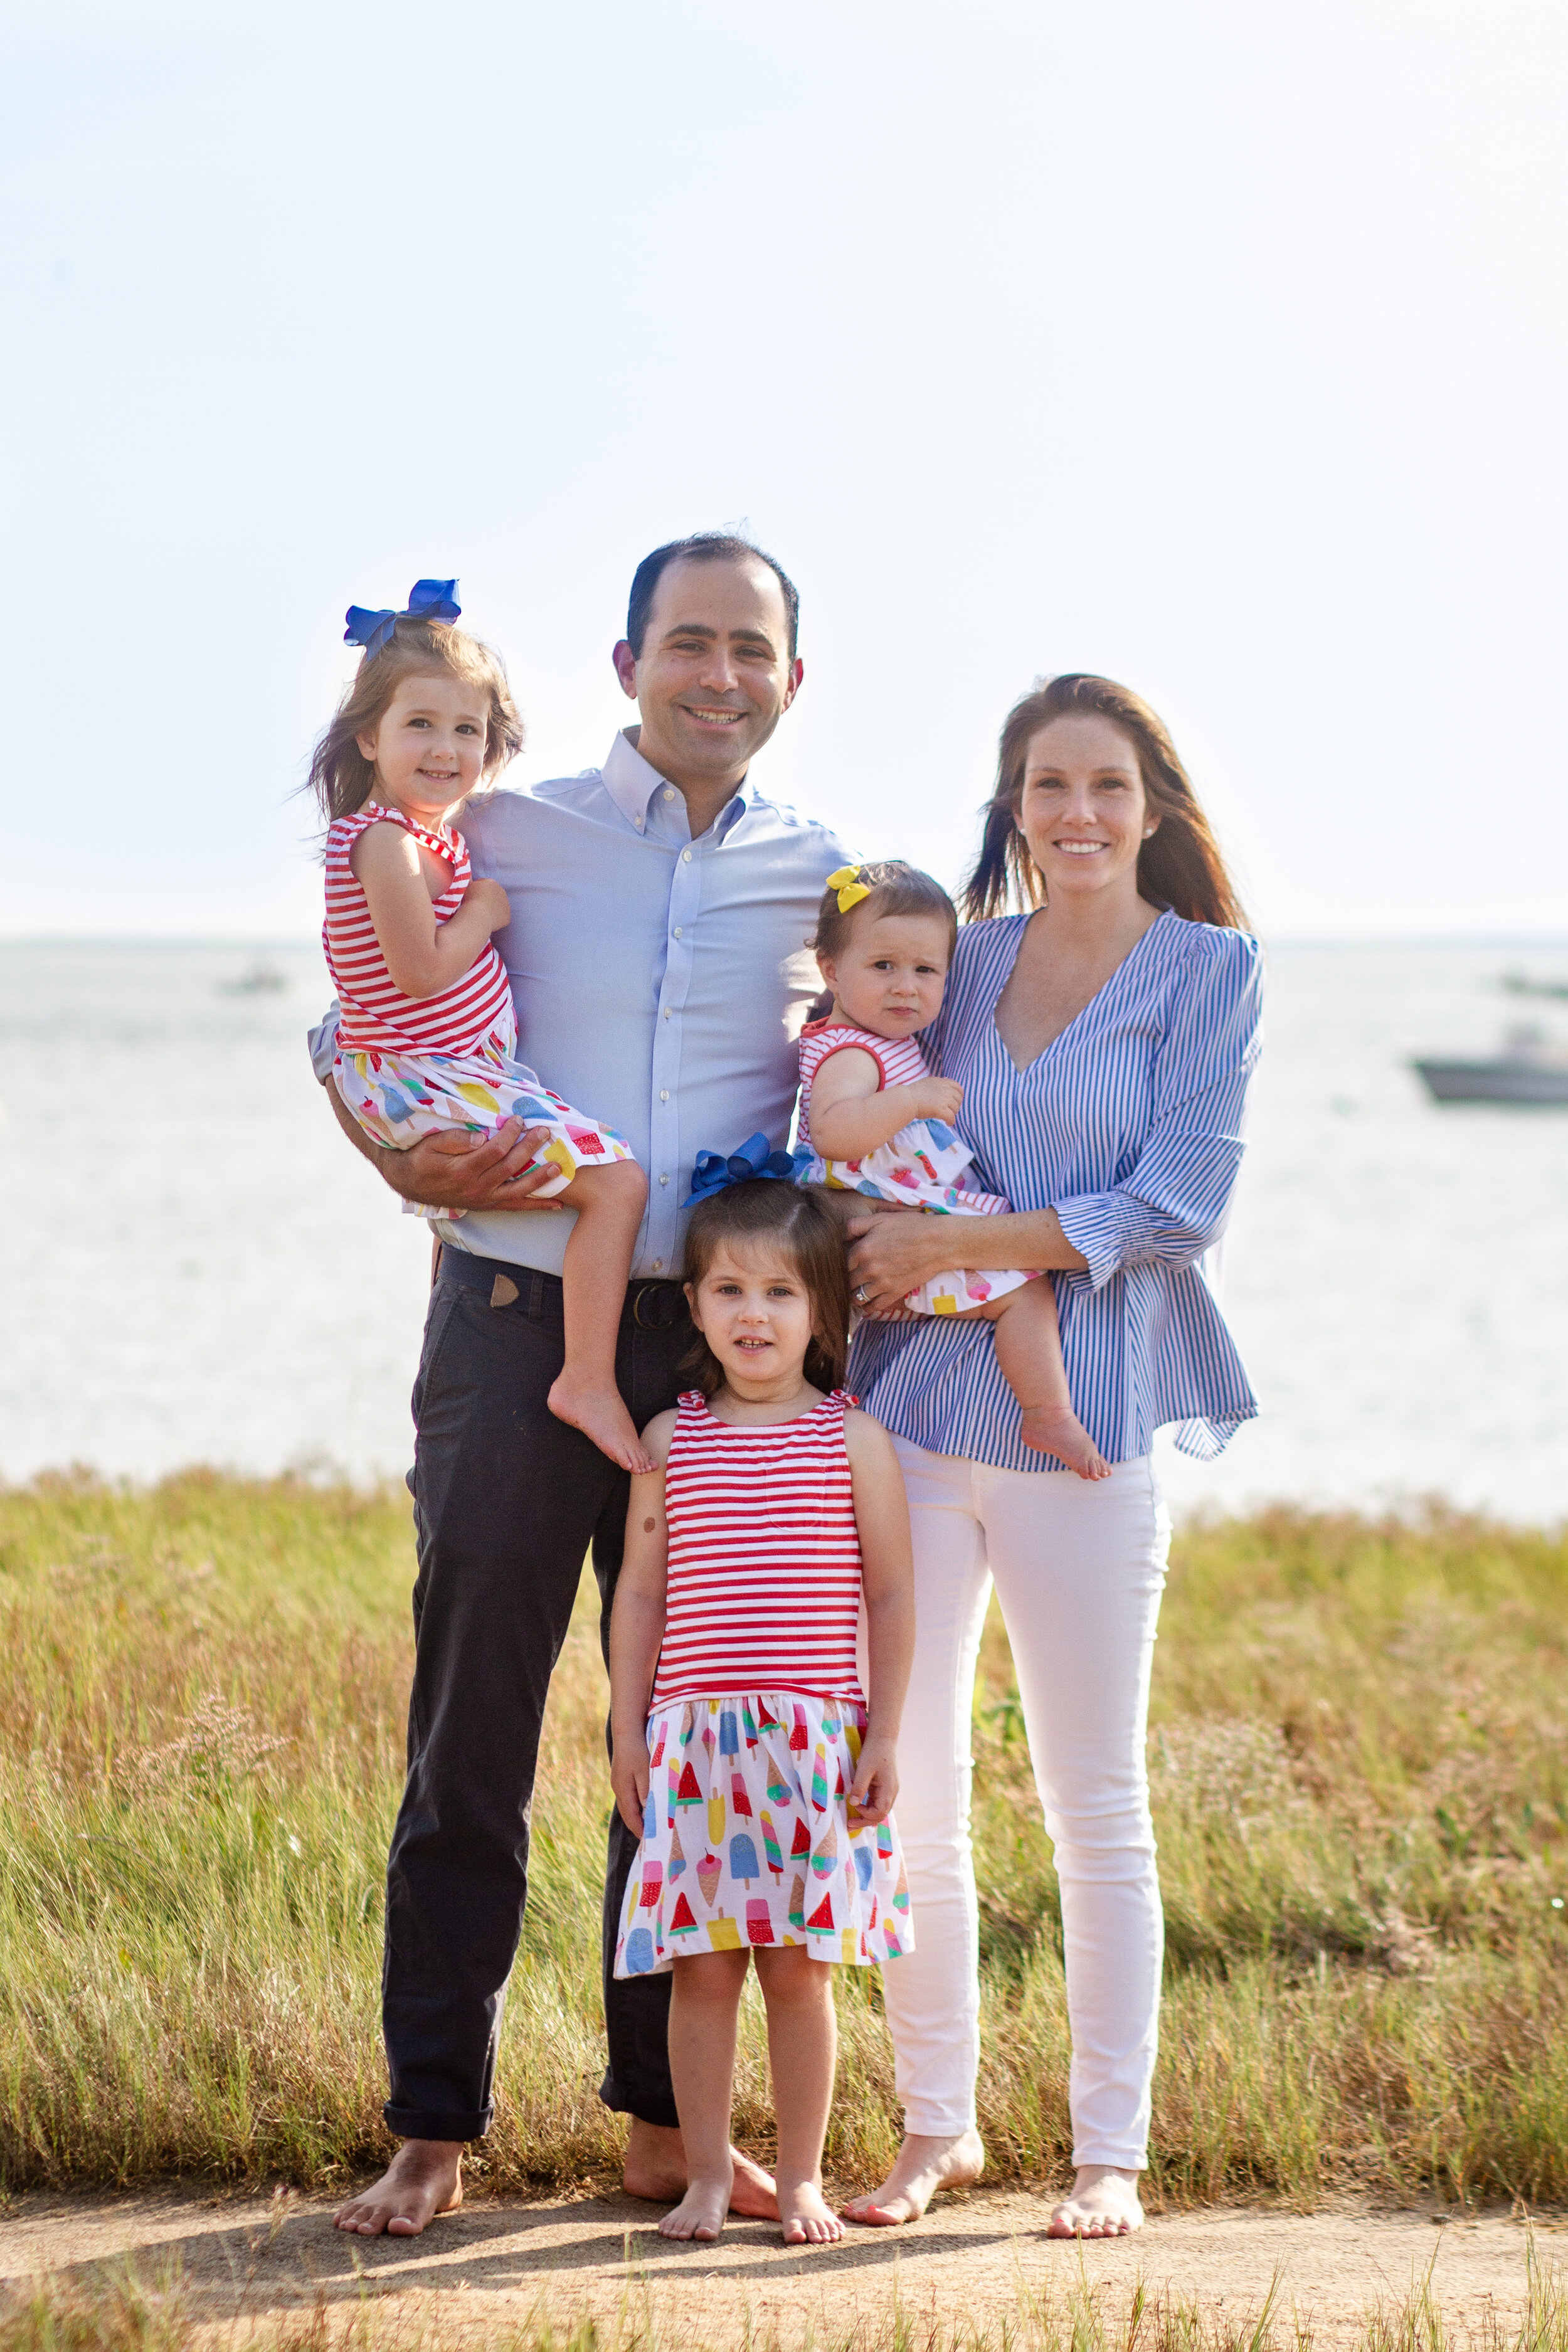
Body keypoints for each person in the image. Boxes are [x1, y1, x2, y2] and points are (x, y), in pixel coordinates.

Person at [322, 536, 850, 2238]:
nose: (718, 674)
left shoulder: (821, 875)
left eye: (749, 648)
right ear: (625, 664)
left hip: (705, 1366)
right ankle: (430, 2123)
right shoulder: (505, 822)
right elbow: (362, 1000)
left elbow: (894, 1055)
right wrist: (381, 1144)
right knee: (467, 1725)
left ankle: (655, 2121)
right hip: (506, 1317)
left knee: (679, 1742)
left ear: (790, 677)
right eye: (686, 642)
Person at [836, 674, 1263, 2240]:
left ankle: (1108, 2151)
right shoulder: (965, 952)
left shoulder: (1211, 969)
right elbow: (863, 1098)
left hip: (1084, 1419)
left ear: (1152, 801)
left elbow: (1182, 1201)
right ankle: (932, 2126)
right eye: (1044, 784)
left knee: (1094, 1794)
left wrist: (965, 1235)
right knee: (911, 1793)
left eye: (1104, 783)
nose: (1075, 811)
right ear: (1012, 804)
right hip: (908, 1411)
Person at [607, 1179, 915, 2245]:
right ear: (692, 1305)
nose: (754, 1314)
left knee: (798, 1971)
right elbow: (639, 1594)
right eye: (729, 1289)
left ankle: (798, 2183)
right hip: (696, 1741)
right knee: (702, 1971)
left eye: (781, 1292)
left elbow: (889, 1593)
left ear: (823, 1313)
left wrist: (884, 1733)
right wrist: (626, 1729)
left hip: (809, 1742)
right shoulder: (670, 1438)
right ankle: (702, 2177)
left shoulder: (853, 1440)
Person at [314, 580, 650, 1473]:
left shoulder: (435, 835)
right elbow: (420, 968)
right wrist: (487, 915)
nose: (445, 748)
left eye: (467, 730)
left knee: (472, 1223)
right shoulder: (387, 841)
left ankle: (468, 1387)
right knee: (616, 1189)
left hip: (450, 1071)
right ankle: (586, 1376)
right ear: (369, 737)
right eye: (420, 725)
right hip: (428, 1074)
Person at [798, 859, 1108, 1477]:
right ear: (831, 970)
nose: (905, 987)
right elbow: (834, 1132)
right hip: (887, 1233)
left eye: (925, 970)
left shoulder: (881, 1042)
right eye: (883, 966)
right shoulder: (851, 1051)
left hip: (897, 1223)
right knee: (1022, 1292)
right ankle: (1046, 1410)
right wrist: (911, 1101)